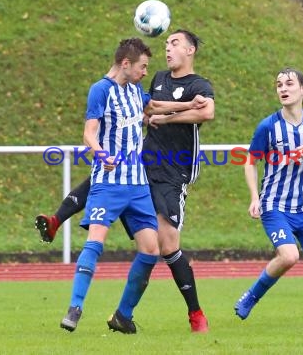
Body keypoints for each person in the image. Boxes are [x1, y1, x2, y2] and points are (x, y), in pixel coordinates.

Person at [37, 29, 215, 333]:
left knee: (153, 249)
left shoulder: (139, 90)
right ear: (125, 64)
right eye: (142, 66)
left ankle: (124, 315)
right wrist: (99, 152)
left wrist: (189, 105)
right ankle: (75, 308)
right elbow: (89, 133)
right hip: (111, 182)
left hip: (142, 184)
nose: (147, 71)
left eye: (173, 44)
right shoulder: (101, 90)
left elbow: (155, 107)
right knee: (96, 241)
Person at [233, 67, 303, 327]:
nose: (283, 89)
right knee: (289, 256)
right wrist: (254, 198)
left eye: (289, 84)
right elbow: (250, 162)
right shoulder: (268, 126)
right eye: (278, 85)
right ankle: (251, 297)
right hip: (275, 205)